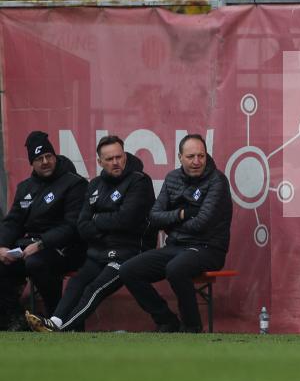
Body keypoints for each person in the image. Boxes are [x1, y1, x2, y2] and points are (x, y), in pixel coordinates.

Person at [25, 136, 154, 333]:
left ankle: (63, 328)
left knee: (95, 288)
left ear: (125, 156)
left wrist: (97, 220)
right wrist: (104, 227)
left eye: (119, 157)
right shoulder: (94, 185)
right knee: (77, 282)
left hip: (127, 253)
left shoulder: (139, 181)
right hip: (98, 251)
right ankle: (56, 321)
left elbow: (126, 220)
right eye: (109, 159)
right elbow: (82, 225)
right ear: (99, 162)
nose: (116, 162)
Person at [119, 134, 232, 333]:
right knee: (128, 270)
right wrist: (181, 213)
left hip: (208, 248)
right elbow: (154, 216)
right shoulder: (172, 178)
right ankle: (167, 320)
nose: (197, 161)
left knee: (176, 268)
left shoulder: (217, 181)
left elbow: (201, 224)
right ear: (180, 157)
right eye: (191, 157)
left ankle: (192, 327)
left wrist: (171, 224)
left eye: (201, 156)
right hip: (176, 247)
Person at [0, 132, 86, 330]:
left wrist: (41, 244)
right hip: (28, 249)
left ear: (55, 157)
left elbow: (72, 226)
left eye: (49, 157)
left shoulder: (74, 183)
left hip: (65, 249)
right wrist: (2, 246)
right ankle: (15, 319)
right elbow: (12, 222)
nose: (45, 162)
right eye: (39, 159)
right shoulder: (25, 187)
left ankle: (55, 318)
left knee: (37, 262)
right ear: (32, 162)